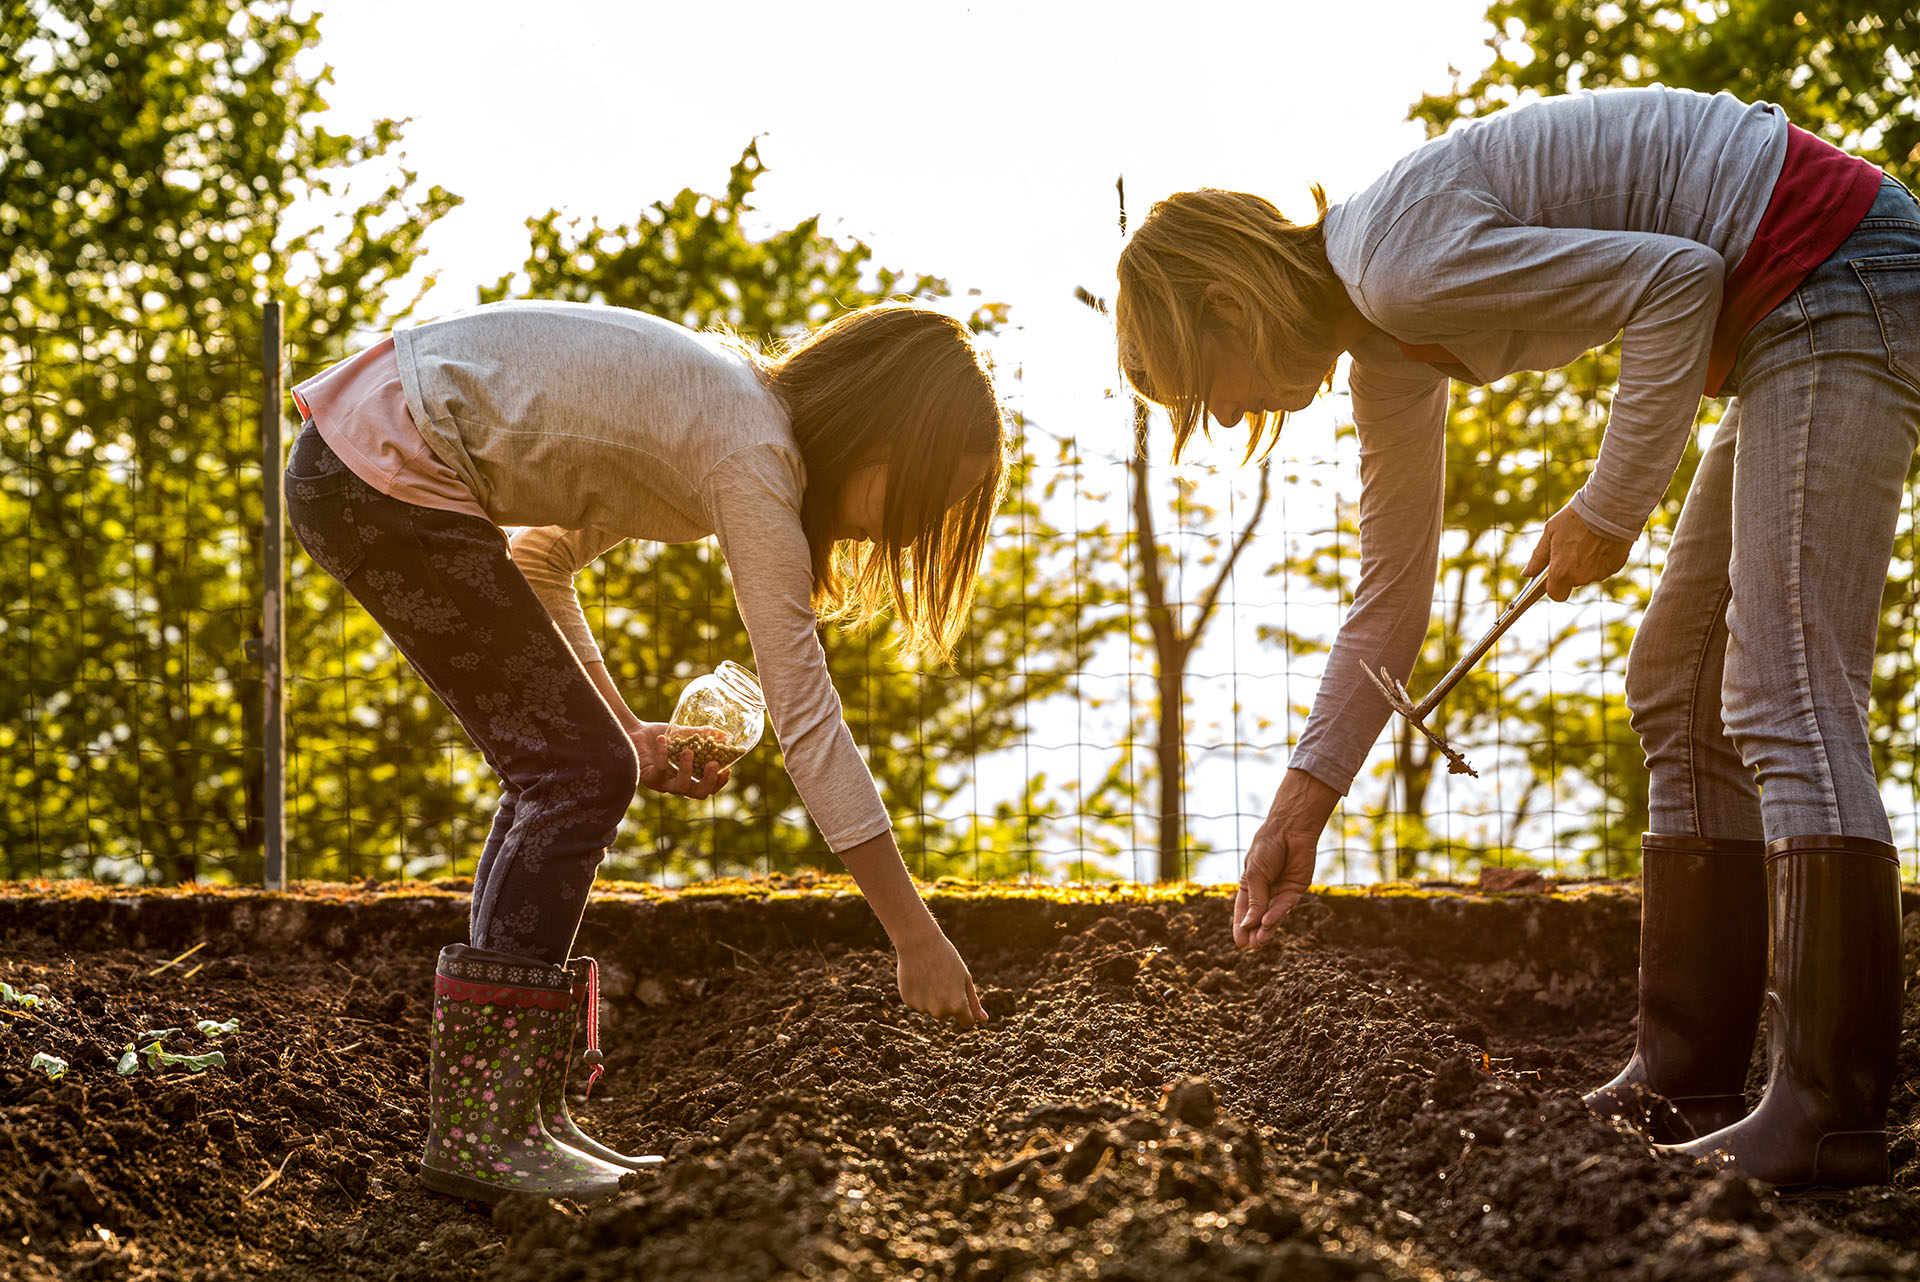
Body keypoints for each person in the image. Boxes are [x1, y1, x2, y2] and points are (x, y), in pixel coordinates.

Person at [1113, 85, 1917, 1190]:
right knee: (1675, 685)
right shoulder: (1387, 346)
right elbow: (1389, 598)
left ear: (1224, 303)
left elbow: (1676, 281)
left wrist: (1605, 510)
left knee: (1782, 682)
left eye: (1219, 389)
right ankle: (1686, 1070)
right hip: (1789, 304)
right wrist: (1304, 801)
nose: (1248, 415)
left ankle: (1829, 1110)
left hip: (1840, 269)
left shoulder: (1396, 261)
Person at [285, 299, 1003, 1204]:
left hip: (370, 461)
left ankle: (519, 1118)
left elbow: (540, 559)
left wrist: (625, 732)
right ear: (877, 437)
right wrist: (916, 937)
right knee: (573, 773)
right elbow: (806, 714)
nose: (905, 535)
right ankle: (487, 1129)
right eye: (921, 499)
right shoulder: (753, 449)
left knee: (579, 764)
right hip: (383, 471)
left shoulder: (720, 418)